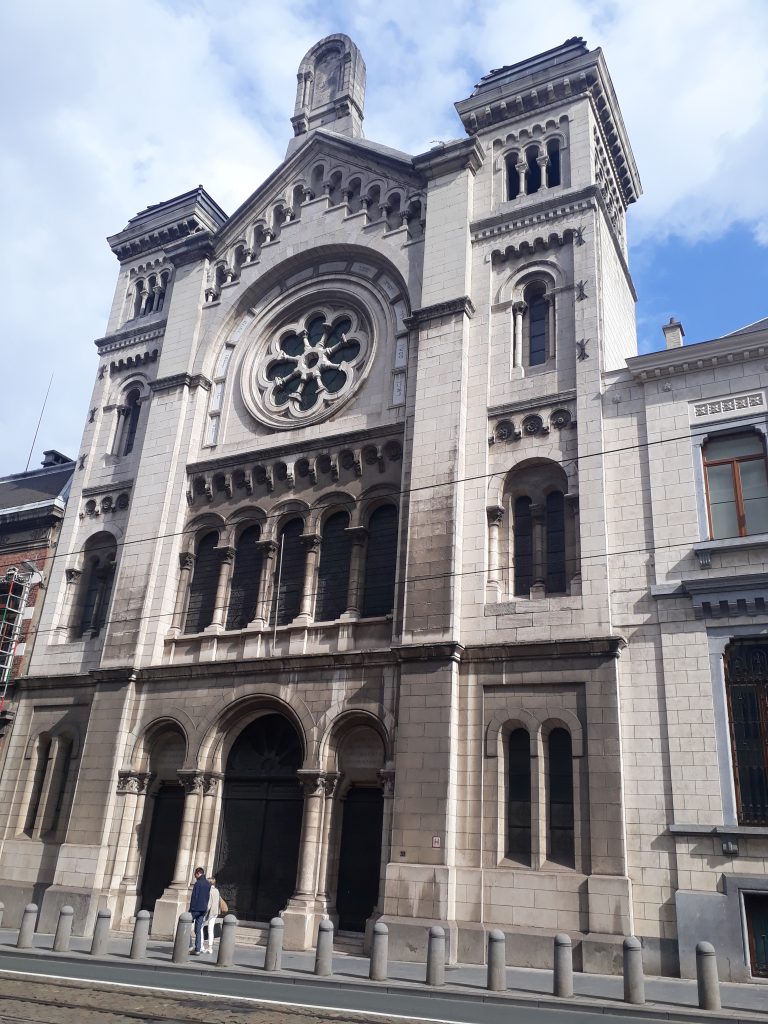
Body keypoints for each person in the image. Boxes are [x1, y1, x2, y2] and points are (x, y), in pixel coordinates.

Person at [188, 866, 211, 955]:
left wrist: (191, 909)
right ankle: (197, 949)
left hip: (195, 909)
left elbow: (194, 897)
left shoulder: (198, 883)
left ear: (198, 873)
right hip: (203, 909)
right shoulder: (208, 884)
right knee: (198, 930)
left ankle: (189, 946)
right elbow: (207, 897)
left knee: (184, 924)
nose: (195, 876)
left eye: (195, 874)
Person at [202, 875, 220, 954]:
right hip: (215, 912)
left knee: (201, 927)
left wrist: (204, 911)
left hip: (209, 912)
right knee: (211, 929)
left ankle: (201, 946)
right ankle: (210, 947)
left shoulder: (209, 891)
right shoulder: (217, 890)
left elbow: (209, 903)